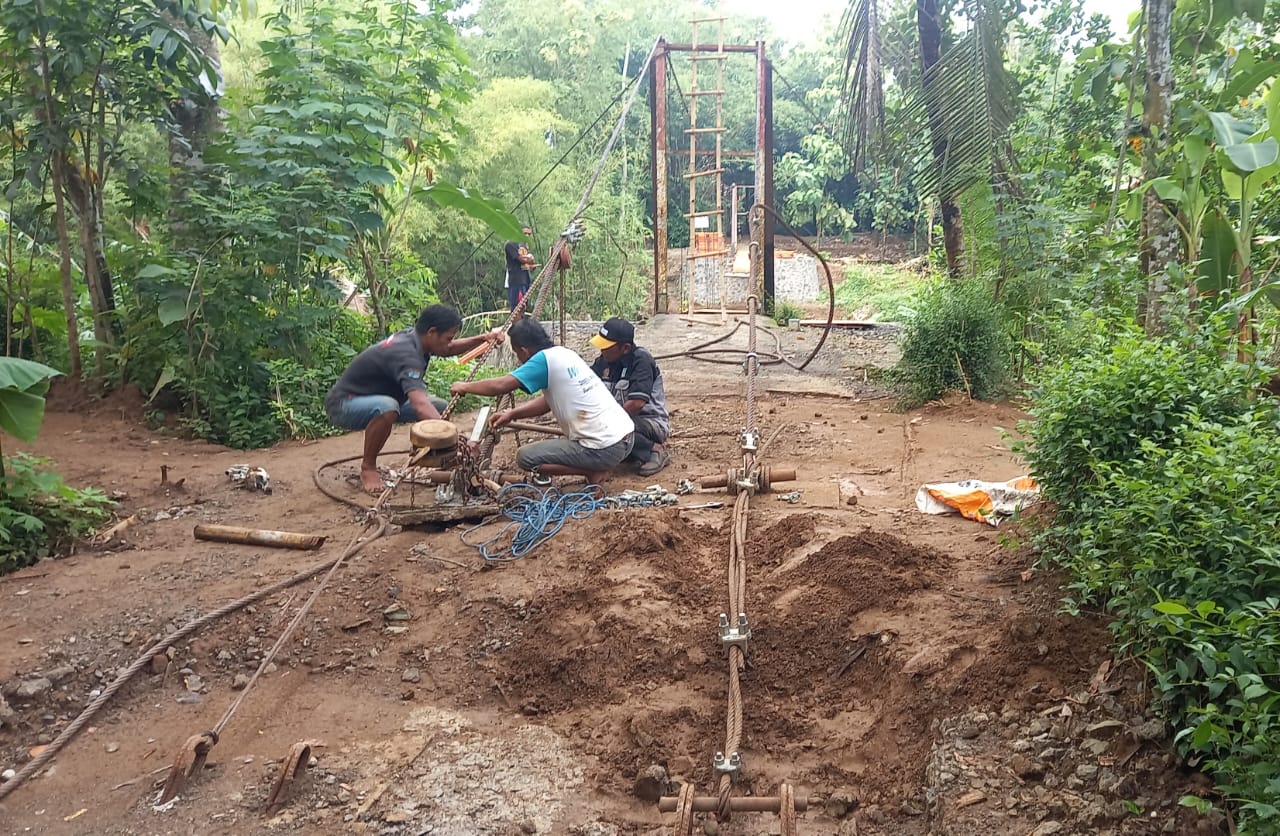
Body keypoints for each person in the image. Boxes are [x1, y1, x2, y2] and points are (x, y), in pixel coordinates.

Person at [326, 304, 503, 493]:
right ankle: (368, 467)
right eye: (448, 338)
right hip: (344, 405)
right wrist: (456, 438)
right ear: (431, 332)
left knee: (440, 407)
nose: (449, 343)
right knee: (388, 407)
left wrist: (483, 338)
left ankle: (432, 455)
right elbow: (419, 405)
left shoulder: (416, 338)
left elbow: (447, 349)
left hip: (381, 399)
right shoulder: (407, 354)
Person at [450, 317, 634, 484]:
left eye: (517, 354)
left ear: (524, 350)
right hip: (626, 437)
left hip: (605, 448)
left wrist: (464, 387)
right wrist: (513, 414)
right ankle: (594, 467)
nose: (519, 360)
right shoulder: (564, 354)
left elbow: (501, 385)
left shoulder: (542, 361)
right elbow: (548, 402)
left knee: (526, 457)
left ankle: (591, 472)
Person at [588, 317, 671, 476]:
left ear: (625, 348)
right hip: (624, 421)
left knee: (608, 429)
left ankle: (654, 449)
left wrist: (607, 422)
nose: (602, 350)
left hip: (650, 422)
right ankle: (625, 450)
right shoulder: (603, 362)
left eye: (607, 347)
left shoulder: (641, 361)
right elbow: (585, 384)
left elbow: (636, 403)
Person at [503, 226, 537, 311]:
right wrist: (530, 259)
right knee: (517, 307)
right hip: (516, 281)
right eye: (525, 233)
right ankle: (516, 324)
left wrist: (531, 265)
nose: (527, 236)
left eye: (529, 234)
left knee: (523, 306)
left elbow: (529, 263)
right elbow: (522, 259)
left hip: (525, 279)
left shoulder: (525, 245)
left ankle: (521, 323)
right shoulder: (511, 244)